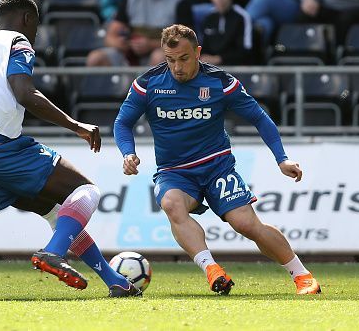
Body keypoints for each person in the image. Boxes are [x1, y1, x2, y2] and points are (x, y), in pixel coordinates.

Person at [0, 0, 141, 298]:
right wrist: (75, 125)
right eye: (36, 26)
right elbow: (25, 93)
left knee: (59, 214)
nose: (36, 34)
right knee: (86, 192)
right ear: (27, 19)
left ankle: (115, 281)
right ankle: (53, 253)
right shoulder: (17, 42)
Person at [113, 24, 321, 295]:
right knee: (171, 204)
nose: (177, 67)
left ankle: (302, 275)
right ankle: (212, 270)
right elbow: (122, 123)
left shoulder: (220, 82)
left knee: (245, 224)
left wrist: (282, 159)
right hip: (175, 171)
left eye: (184, 58)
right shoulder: (148, 84)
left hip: (217, 167)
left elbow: (259, 118)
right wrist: (128, 153)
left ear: (198, 53)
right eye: (170, 59)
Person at [87, 0, 193, 67]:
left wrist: (150, 45)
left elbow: (186, 41)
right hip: (130, 54)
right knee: (95, 58)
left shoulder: (180, 0)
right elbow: (110, 37)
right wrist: (120, 43)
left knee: (158, 57)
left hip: (164, 53)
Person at [199, 0, 253, 66]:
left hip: (238, 73)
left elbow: (246, 51)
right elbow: (204, 48)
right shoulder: (208, 18)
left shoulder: (242, 17)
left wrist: (219, 59)